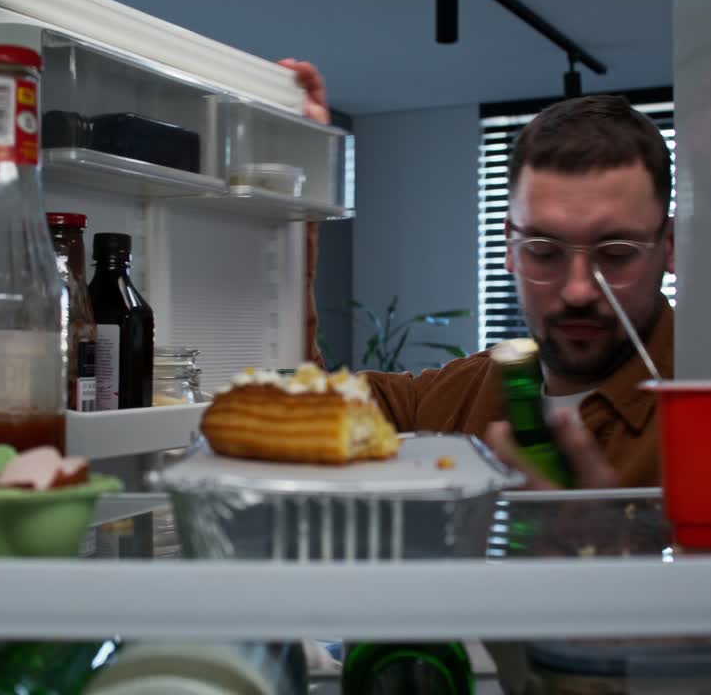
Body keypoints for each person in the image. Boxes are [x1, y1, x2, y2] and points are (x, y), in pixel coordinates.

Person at [282, 60, 674, 489]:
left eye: (616, 254)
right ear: (509, 246)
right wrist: (292, 219)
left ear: (669, 246)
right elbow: (304, 415)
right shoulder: (466, 395)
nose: (579, 290)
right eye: (543, 252)